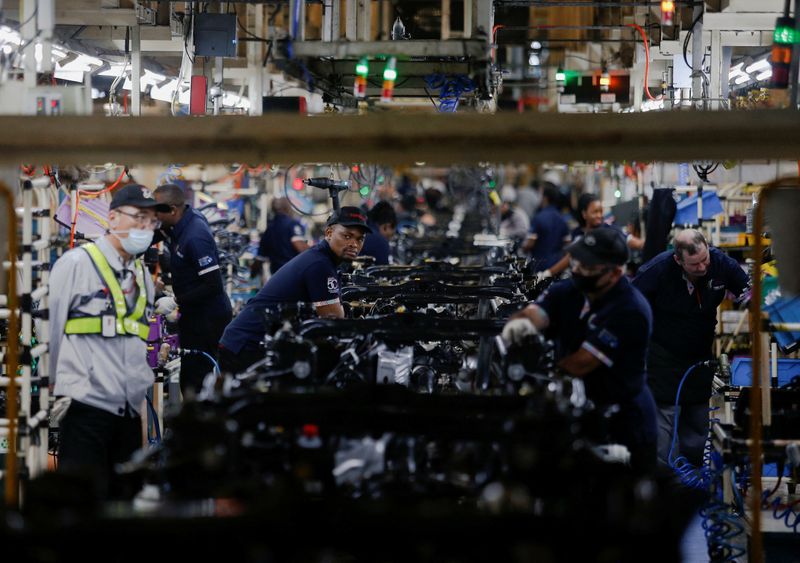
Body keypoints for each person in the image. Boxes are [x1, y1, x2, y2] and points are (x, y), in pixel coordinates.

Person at [49, 184, 169, 498]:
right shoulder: (77, 264)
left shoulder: (142, 277)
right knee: (79, 506)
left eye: (152, 221)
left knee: (122, 505)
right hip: (86, 406)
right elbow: (51, 331)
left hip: (128, 411)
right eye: (139, 218)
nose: (146, 227)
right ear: (113, 218)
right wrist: (56, 387)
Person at [503, 228, 657, 471]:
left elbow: (581, 363)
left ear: (615, 273)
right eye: (577, 262)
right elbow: (539, 311)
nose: (577, 270)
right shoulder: (570, 290)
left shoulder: (631, 310)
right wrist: (522, 322)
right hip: (582, 413)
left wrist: (535, 384)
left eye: (587, 267)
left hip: (622, 423)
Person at [632, 229, 749, 468]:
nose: (703, 267)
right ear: (678, 260)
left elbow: (749, 292)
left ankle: (692, 483)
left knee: (697, 426)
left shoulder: (721, 264)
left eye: (705, 259)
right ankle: (664, 484)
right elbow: (629, 305)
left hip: (699, 356)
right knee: (664, 423)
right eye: (694, 264)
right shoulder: (657, 270)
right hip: (662, 356)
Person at [219, 207, 371, 373]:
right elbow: (333, 320)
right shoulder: (320, 264)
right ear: (328, 233)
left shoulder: (322, 258)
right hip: (246, 346)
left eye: (360, 239)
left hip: (249, 342)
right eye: (347, 236)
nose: (354, 244)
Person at [153, 184, 233, 397]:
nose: (154, 215)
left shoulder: (195, 236)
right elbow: (160, 232)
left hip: (207, 319)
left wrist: (175, 300)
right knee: (190, 375)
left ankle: (200, 424)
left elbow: (213, 284)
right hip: (193, 315)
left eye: (157, 211)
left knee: (196, 379)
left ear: (172, 210)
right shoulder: (182, 220)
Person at [545, 193, 644, 279]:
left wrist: (648, 243)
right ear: (584, 214)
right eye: (595, 212)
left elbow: (634, 242)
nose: (599, 215)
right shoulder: (577, 234)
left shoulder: (610, 230)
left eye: (600, 211)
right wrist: (547, 273)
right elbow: (570, 257)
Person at [251, 197, 309, 276]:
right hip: (293, 273)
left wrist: (252, 274)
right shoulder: (292, 225)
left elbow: (260, 258)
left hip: (276, 276)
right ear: (287, 208)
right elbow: (300, 246)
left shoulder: (269, 229)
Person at [523, 183, 570, 273]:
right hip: (556, 266)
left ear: (545, 198)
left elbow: (530, 244)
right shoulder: (562, 219)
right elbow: (567, 244)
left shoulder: (538, 218)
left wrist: (522, 249)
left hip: (539, 266)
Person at [360, 200, 397, 265]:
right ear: (386, 226)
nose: (389, 238)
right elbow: (385, 271)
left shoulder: (361, 230)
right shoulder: (380, 241)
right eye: (390, 235)